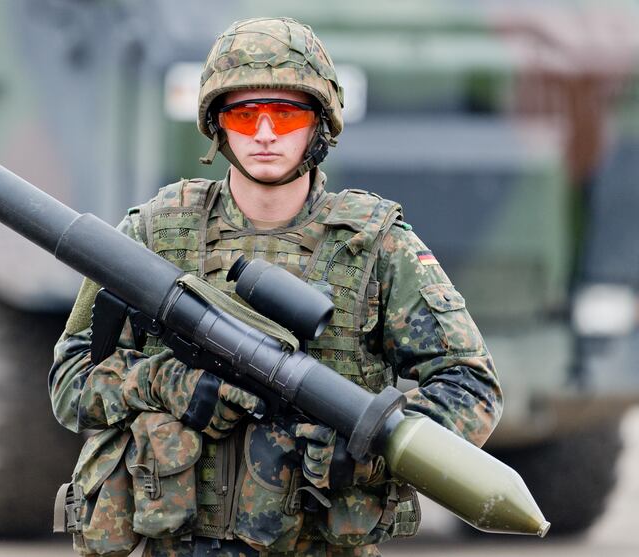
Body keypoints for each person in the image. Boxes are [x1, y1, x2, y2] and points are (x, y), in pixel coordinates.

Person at [49, 17, 502, 557]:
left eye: (286, 113)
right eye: (244, 113)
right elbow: (70, 384)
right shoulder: (155, 232)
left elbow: (471, 387)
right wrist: (165, 382)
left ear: (320, 124)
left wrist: (372, 448)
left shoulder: (376, 247)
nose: (264, 133)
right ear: (218, 124)